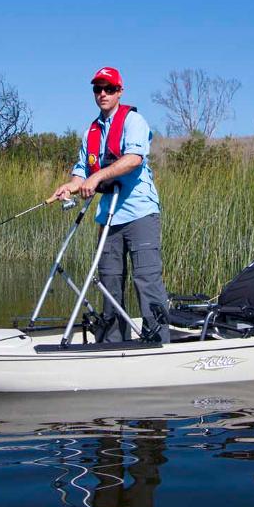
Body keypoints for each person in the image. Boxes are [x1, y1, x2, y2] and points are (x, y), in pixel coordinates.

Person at [51, 66, 171, 344]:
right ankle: (114, 343)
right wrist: (70, 185)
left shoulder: (134, 120)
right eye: (98, 89)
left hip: (140, 212)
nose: (102, 94)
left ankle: (160, 342)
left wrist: (97, 177)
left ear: (120, 91)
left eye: (109, 89)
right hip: (109, 217)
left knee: (147, 279)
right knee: (108, 282)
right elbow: (82, 168)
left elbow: (133, 159)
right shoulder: (90, 131)